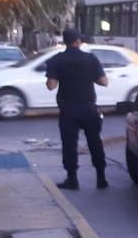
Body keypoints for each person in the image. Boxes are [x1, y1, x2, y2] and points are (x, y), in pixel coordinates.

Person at [45, 29, 109, 190]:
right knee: (95, 141)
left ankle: (72, 179)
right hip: (89, 108)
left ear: (65, 42)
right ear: (78, 41)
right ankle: (101, 178)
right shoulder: (90, 59)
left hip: (68, 109)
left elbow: (51, 86)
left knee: (69, 145)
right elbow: (104, 82)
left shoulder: (56, 60)